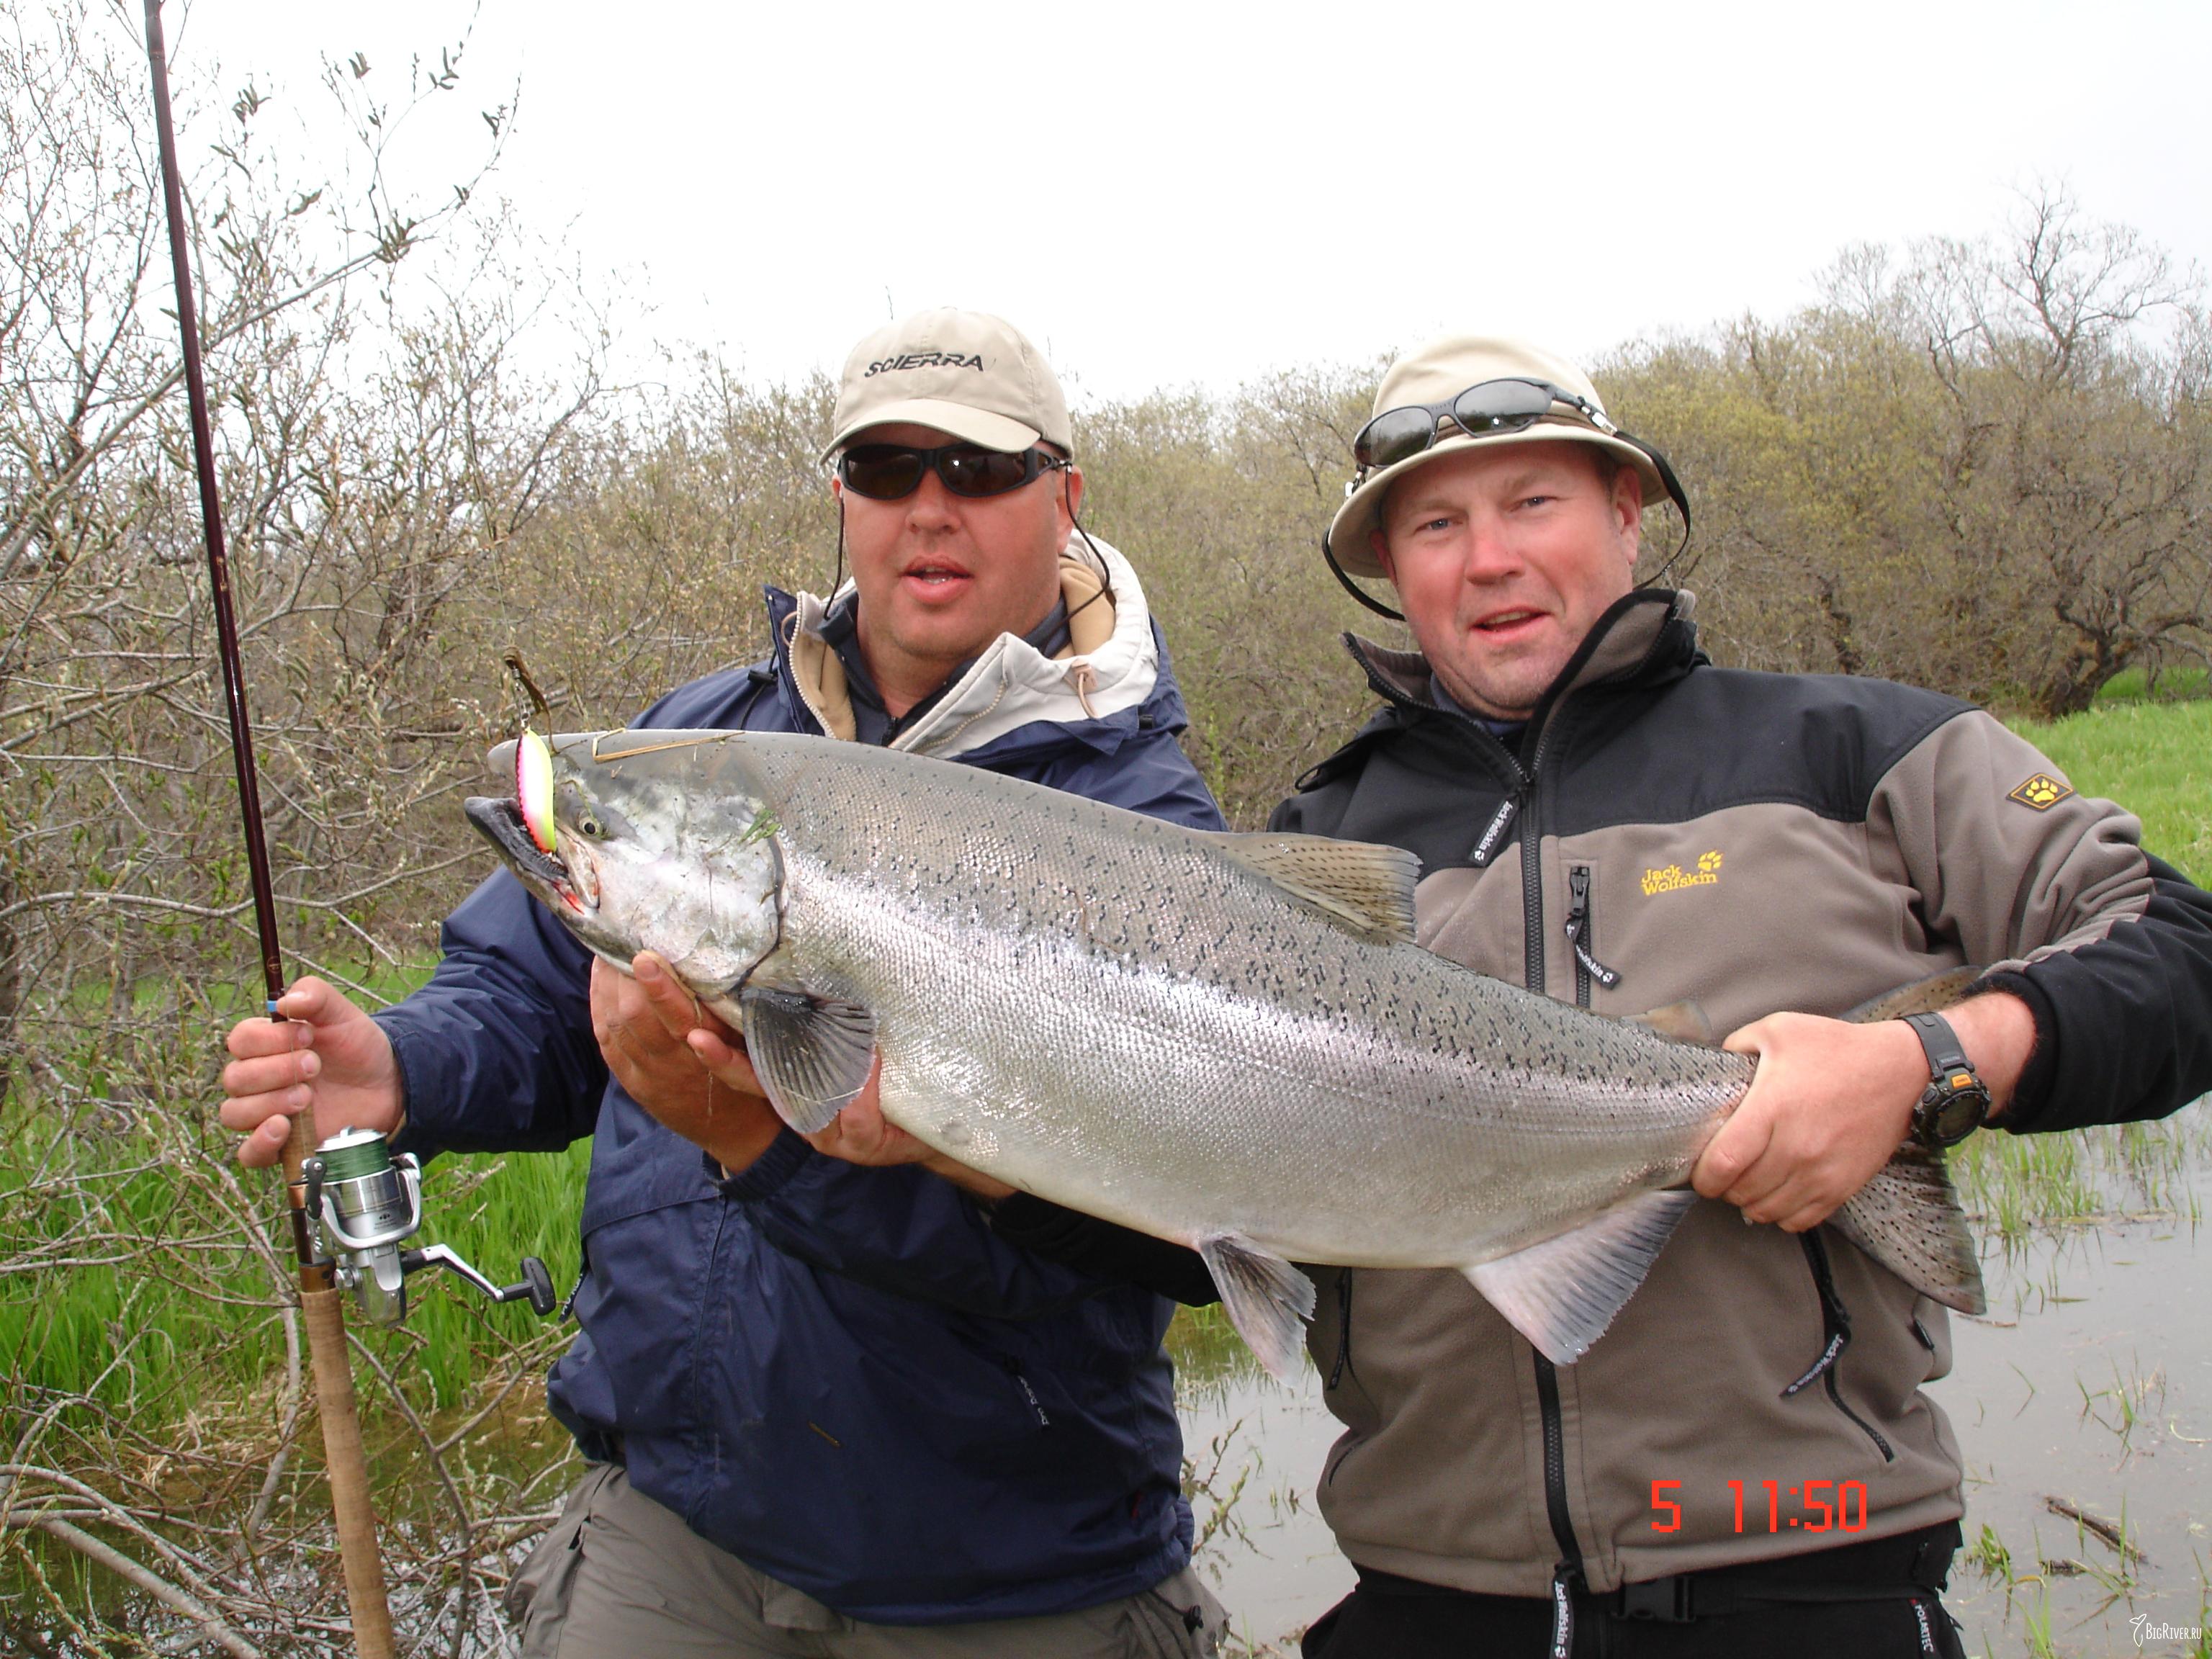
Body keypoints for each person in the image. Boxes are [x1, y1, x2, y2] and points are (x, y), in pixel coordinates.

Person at [218, 309, 1232, 1658]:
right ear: (840, 498)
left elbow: (1118, 1256)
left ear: (1065, 497)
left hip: (1015, 1569)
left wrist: (756, 1142)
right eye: (885, 470)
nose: (930, 509)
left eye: (979, 471)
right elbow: (529, 997)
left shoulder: (1151, 827)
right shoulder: (709, 740)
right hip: (678, 1536)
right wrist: (399, 1069)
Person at [1260, 335, 2212, 1658]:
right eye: (1437, 525)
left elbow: (2180, 946)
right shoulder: (1316, 840)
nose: (1489, 560)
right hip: (1425, 1597)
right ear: (1394, 571)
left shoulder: (1862, 749)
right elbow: (1199, 1205)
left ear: (1626, 512)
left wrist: (1927, 1064)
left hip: (1815, 1568)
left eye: (1533, 502)